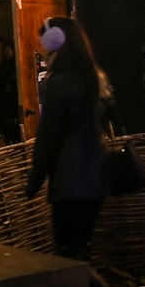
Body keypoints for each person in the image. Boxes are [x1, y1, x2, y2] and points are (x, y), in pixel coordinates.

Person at [23, 16, 109, 265]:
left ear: (54, 42)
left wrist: (33, 182)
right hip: (96, 178)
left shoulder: (59, 84)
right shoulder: (93, 79)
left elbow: (48, 137)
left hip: (70, 182)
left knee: (67, 258)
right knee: (81, 252)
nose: (42, 49)